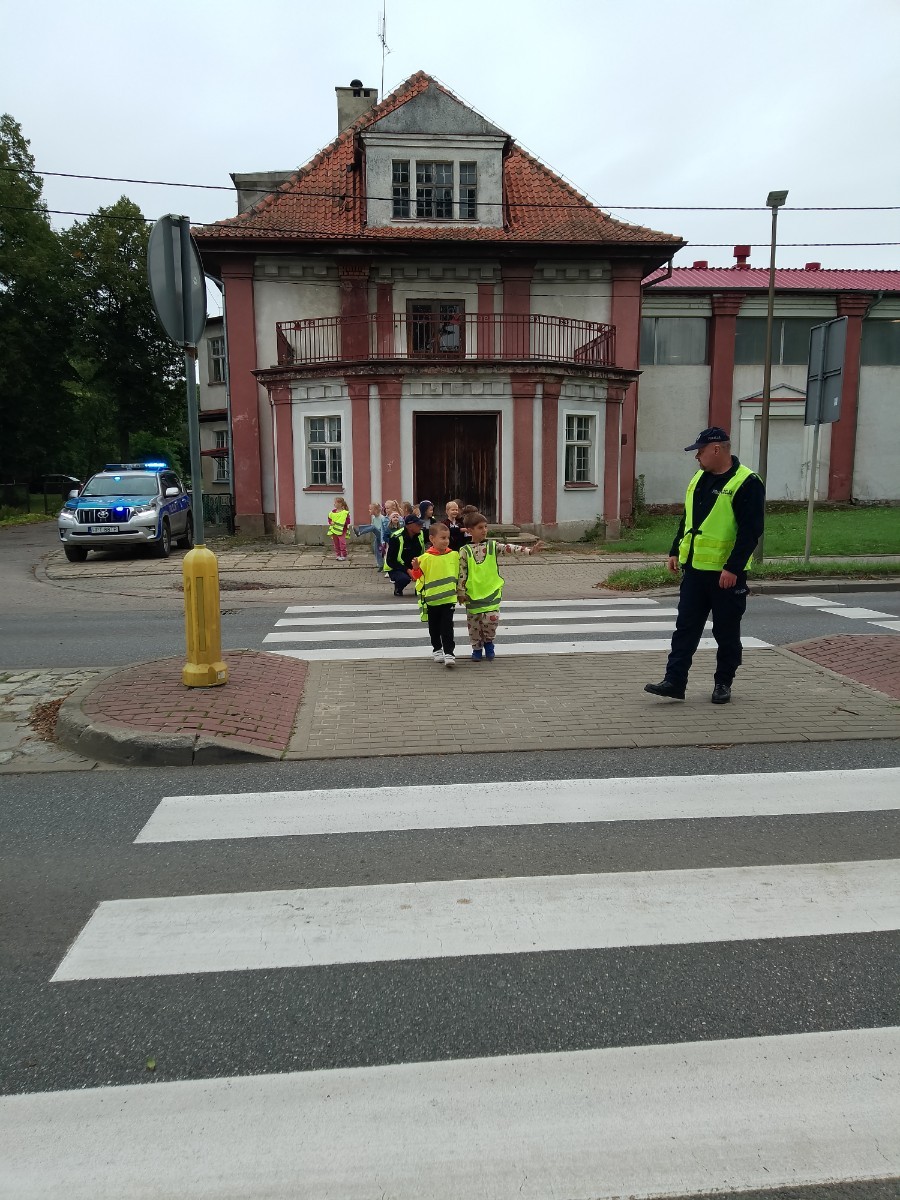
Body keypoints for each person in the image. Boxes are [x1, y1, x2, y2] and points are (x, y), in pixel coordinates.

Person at [644, 426, 765, 705]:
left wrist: (733, 568)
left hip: (725, 575)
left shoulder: (747, 482)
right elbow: (688, 521)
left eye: (699, 451)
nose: (696, 456)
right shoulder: (699, 478)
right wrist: (675, 550)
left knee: (726, 632)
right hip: (695, 571)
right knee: (685, 628)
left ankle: (723, 682)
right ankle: (674, 682)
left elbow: (750, 532)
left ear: (717, 449)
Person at [458, 513, 543, 661]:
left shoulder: (492, 546)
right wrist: (460, 591)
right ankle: (477, 648)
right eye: (480, 528)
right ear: (469, 530)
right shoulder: (464, 551)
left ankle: (489, 642)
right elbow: (461, 572)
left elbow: (509, 548)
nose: (484, 530)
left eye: (485, 527)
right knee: (474, 625)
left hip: (491, 592)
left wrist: (529, 551)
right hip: (473, 595)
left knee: (491, 620)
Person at [409, 521, 460, 667]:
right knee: (434, 628)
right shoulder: (425, 558)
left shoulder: (454, 555)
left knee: (447, 627)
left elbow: (460, 574)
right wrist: (416, 567)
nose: (446, 541)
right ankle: (437, 649)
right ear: (432, 539)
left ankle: (449, 653)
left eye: (447, 538)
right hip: (432, 600)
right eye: (442, 538)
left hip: (449, 599)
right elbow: (417, 576)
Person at [384, 514, 426, 596]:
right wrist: (408, 570)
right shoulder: (396, 537)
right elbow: (391, 561)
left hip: (416, 565)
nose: (421, 526)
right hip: (397, 567)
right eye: (418, 524)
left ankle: (419, 589)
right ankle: (398, 588)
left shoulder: (421, 533)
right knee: (403, 578)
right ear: (409, 526)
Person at [353, 503, 387, 569]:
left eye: (371, 509)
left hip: (382, 536)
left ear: (376, 510)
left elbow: (382, 529)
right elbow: (371, 528)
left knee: (373, 527)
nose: (369, 510)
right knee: (376, 550)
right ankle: (380, 565)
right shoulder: (374, 518)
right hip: (377, 536)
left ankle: (359, 531)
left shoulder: (382, 518)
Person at [327, 496, 350, 561]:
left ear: (340, 504)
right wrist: (330, 522)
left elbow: (348, 521)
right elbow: (329, 519)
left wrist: (342, 523)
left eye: (335, 503)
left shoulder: (345, 512)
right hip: (334, 530)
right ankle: (338, 555)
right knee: (336, 543)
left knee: (342, 543)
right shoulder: (332, 512)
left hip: (342, 530)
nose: (334, 504)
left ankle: (344, 555)